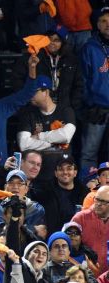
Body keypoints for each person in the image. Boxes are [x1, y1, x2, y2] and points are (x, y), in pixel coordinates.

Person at [79, 9, 109, 175]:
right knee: (89, 153)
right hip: (96, 109)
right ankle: (86, 189)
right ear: (97, 24)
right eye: (104, 21)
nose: (108, 24)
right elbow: (82, 80)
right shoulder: (89, 47)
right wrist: (89, 105)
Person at [71, 186, 109, 275]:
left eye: (103, 201)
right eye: (97, 199)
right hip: (85, 276)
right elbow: (69, 249)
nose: (98, 204)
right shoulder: (80, 218)